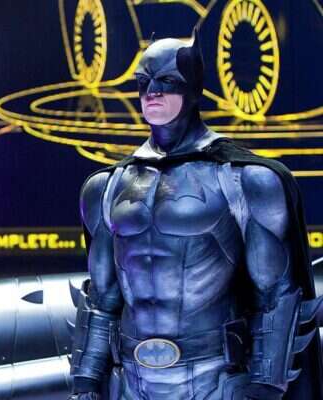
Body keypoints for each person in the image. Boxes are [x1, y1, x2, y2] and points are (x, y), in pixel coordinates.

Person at [68, 31, 323, 400]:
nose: (152, 92)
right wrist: (86, 383)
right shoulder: (107, 186)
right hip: (132, 382)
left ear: (192, 87)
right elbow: (102, 298)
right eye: (143, 82)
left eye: (167, 81)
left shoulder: (244, 179)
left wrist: (265, 388)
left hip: (216, 380)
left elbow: (275, 296)